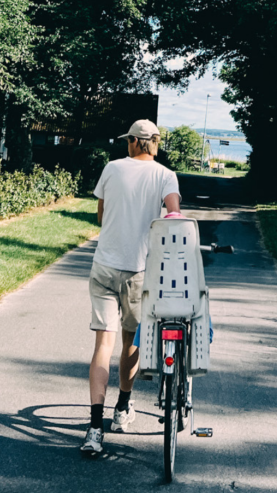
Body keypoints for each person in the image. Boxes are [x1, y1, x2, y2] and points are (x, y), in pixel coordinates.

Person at [81, 119, 181, 454]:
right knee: (130, 344)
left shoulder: (111, 169)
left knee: (102, 346)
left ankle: (94, 431)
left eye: (128, 141)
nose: (127, 145)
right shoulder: (166, 176)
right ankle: (122, 408)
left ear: (137, 142)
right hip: (140, 271)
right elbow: (174, 214)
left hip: (105, 266)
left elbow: (100, 215)